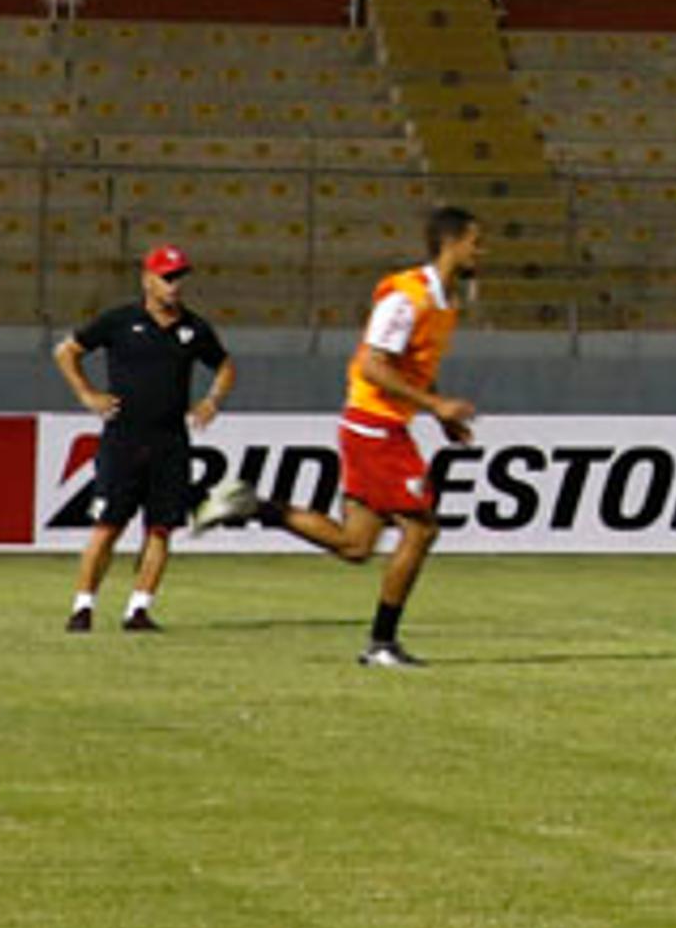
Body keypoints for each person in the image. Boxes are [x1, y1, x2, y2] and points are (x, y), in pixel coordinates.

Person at [203, 206, 487, 667]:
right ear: (452, 243)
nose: (482, 251)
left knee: (355, 546)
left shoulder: (444, 301)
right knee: (421, 528)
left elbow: (411, 367)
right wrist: (434, 406)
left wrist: (439, 417)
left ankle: (251, 504)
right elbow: (373, 364)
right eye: (476, 241)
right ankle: (382, 643)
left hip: (381, 424)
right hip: (374, 425)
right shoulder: (406, 297)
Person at [52, 242, 235, 632]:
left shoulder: (194, 328)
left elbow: (224, 365)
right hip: (124, 440)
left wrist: (212, 400)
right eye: (167, 277)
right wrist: (87, 394)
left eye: (179, 277)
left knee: (161, 527)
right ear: (147, 280)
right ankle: (83, 606)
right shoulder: (120, 321)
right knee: (108, 526)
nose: (174, 285)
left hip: (170, 443)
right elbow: (67, 352)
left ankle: (138, 608)